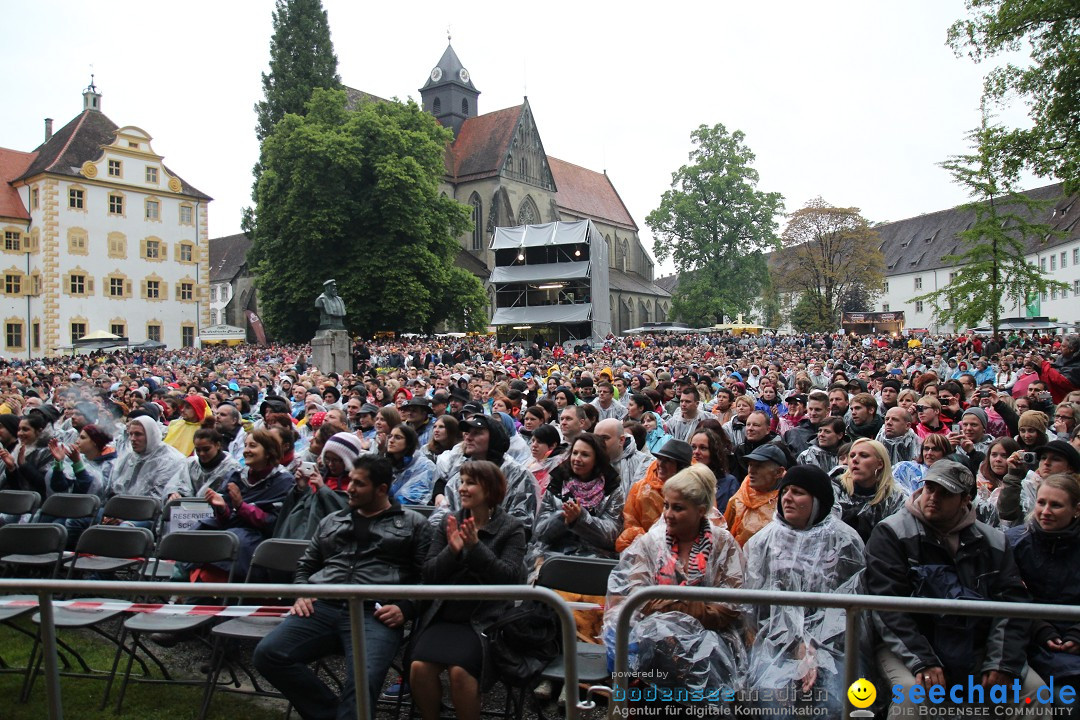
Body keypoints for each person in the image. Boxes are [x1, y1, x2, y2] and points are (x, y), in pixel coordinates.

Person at [253, 456, 432, 719]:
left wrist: (406, 609)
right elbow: (305, 566)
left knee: (364, 678)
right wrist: (302, 591)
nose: (349, 488)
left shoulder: (413, 524)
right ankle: (335, 715)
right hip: (322, 605)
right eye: (351, 481)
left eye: (359, 484)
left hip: (375, 612)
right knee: (268, 655)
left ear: (381, 489)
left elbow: (428, 578)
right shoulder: (332, 521)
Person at [865, 460, 1041, 716]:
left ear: (965, 500)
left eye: (945, 493)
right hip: (911, 644)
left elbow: (1013, 605)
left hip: (976, 645)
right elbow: (887, 606)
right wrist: (922, 661)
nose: (933, 498)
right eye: (930, 489)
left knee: (1035, 691)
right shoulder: (891, 533)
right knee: (912, 694)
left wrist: (1002, 663)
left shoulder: (994, 541)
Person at [603, 464, 745, 699]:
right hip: (654, 642)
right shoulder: (652, 542)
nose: (668, 514)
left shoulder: (723, 544)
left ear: (701, 510)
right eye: (666, 505)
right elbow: (635, 595)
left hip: (711, 642)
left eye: (678, 508)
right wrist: (688, 606)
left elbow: (730, 606)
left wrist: (672, 606)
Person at [744, 464, 865, 717]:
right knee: (771, 698)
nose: (787, 498)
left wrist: (815, 647)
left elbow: (850, 607)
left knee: (834, 700)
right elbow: (757, 610)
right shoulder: (763, 542)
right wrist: (795, 645)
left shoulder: (845, 541)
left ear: (818, 501)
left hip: (834, 644)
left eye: (798, 492)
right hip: (776, 643)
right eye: (785, 491)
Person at [409, 461, 527, 720]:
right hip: (445, 613)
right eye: (461, 481)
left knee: (460, 673)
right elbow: (429, 574)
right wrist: (452, 551)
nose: (462, 488)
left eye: (470, 482)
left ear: (490, 489)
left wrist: (475, 548)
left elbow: (509, 579)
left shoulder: (511, 528)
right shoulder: (448, 523)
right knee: (419, 669)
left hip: (484, 617)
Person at [1006, 474, 1080, 692]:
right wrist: (1038, 627)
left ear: (1076, 509)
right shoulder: (1014, 543)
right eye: (1041, 503)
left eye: (1055, 505)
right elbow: (1006, 594)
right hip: (1029, 642)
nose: (1046, 512)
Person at [196, 429, 294, 579]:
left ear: (268, 452)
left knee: (236, 539)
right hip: (230, 529)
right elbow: (226, 517)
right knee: (197, 531)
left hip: (258, 538)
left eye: (253, 446)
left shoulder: (283, 481)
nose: (246, 451)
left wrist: (242, 506)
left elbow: (273, 522)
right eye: (246, 445)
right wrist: (222, 508)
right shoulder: (235, 476)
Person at [616, 439, 693, 552]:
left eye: (668, 461)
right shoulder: (641, 489)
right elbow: (630, 524)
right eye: (660, 458)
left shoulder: (694, 492)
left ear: (681, 467)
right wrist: (647, 541)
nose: (660, 464)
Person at [832, 438, 907, 542]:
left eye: (864, 455)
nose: (855, 460)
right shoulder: (834, 489)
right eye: (852, 455)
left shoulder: (895, 498)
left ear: (880, 464)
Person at [999, 440, 1080, 524]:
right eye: (1043, 458)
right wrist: (1013, 474)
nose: (1046, 463)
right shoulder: (1028, 486)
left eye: (1055, 459)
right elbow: (1007, 514)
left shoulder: (1076, 492)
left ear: (1070, 468)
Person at [725, 444, 788, 546]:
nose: (751, 471)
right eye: (750, 465)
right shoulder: (738, 500)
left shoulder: (788, 502)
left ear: (778, 472)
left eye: (759, 466)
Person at [163, 426, 242, 501]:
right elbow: (175, 484)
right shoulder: (190, 464)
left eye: (206, 449)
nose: (202, 454)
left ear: (217, 445)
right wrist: (174, 494)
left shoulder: (232, 468)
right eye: (198, 450)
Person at [594, 418, 651, 497]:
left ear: (621, 440)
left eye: (605, 438)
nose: (599, 442)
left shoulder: (645, 463)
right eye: (596, 438)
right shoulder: (589, 461)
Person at [385, 424, 436, 506]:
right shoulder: (386, 463)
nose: (391, 440)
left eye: (397, 437)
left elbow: (413, 499)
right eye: (390, 436)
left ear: (409, 443)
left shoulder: (424, 465)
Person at [690, 429, 740, 512]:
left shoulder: (729, 483)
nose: (696, 452)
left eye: (703, 448)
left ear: (713, 452)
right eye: (693, 447)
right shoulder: (683, 480)